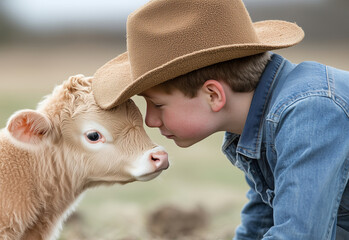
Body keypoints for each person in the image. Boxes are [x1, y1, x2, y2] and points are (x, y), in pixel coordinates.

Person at [92, 0, 349, 239]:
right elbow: (261, 222)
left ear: (213, 95)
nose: (150, 120)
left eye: (158, 104)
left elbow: (298, 234)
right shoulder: (254, 126)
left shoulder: (309, 111)